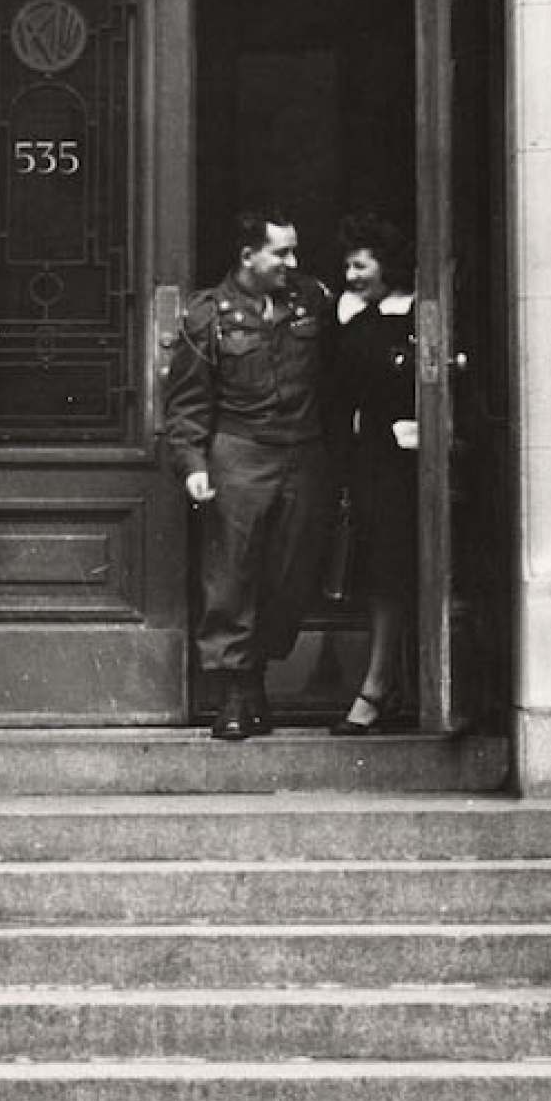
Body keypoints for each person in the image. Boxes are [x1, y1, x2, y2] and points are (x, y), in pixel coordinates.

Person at [159, 206, 336, 740]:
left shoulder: (312, 300)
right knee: (232, 575)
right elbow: (187, 402)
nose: (292, 262)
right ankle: (235, 692)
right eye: (281, 253)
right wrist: (193, 463)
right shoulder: (207, 316)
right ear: (247, 256)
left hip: (303, 454)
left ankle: (257, 671)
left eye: (294, 252)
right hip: (240, 453)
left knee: (291, 576)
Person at [332, 214, 419, 734]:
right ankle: (385, 685)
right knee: (380, 574)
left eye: (360, 265)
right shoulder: (351, 319)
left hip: (413, 462)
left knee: (397, 572)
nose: (351, 276)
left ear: (387, 265)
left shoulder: (421, 316)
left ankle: (380, 688)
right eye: (348, 266)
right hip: (372, 463)